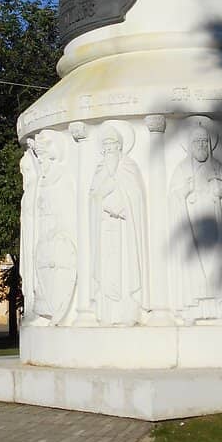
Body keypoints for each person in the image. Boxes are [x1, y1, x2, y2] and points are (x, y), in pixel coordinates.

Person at [169, 121, 222, 324]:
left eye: (204, 141)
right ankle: (193, 309)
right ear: (190, 145)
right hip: (192, 228)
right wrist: (183, 193)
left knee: (216, 266)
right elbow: (173, 199)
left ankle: (220, 308)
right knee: (194, 267)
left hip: (215, 226)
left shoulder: (218, 168)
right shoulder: (181, 169)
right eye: (197, 142)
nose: (201, 146)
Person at [88, 125, 146, 325]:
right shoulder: (99, 170)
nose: (109, 148)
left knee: (126, 269)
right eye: (106, 144)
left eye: (113, 144)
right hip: (105, 229)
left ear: (120, 146)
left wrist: (123, 207)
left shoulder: (129, 166)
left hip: (125, 229)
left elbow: (136, 195)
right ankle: (107, 314)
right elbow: (93, 197)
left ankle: (128, 313)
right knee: (106, 270)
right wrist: (103, 197)